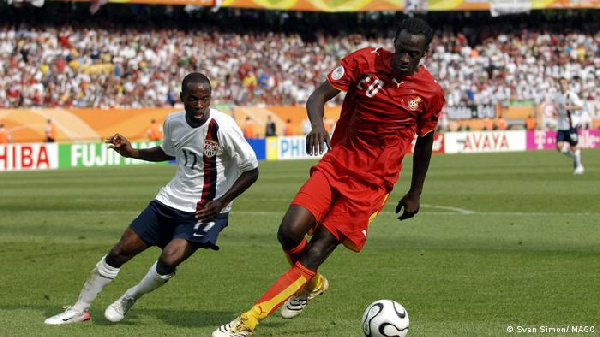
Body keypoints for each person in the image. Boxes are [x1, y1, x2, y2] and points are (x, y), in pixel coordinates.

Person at [212, 18, 444, 337]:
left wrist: (415, 192)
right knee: (289, 232)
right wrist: (318, 124)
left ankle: (249, 320)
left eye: (413, 54)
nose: (405, 59)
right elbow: (317, 96)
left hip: (371, 186)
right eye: (401, 50)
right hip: (335, 165)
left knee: (316, 250)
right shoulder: (363, 61)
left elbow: (425, 143)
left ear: (425, 53)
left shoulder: (430, 92)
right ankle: (313, 283)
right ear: (394, 42)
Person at [44, 72, 259, 325]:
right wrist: (133, 152)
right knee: (119, 252)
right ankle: (79, 309)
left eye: (205, 99)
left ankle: (129, 298)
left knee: (169, 258)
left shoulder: (224, 127)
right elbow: (166, 151)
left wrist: (220, 202)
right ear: (182, 98)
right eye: (193, 98)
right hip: (169, 201)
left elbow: (251, 170)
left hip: (205, 211)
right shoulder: (173, 123)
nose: (200, 105)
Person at [555, 77, 584, 175]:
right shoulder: (558, 96)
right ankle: (574, 156)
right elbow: (559, 108)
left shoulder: (572, 95)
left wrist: (569, 107)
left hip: (571, 125)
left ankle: (579, 167)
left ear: (567, 84)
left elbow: (580, 106)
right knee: (559, 147)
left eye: (564, 83)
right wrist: (556, 112)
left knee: (573, 147)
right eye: (561, 83)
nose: (562, 85)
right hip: (561, 126)